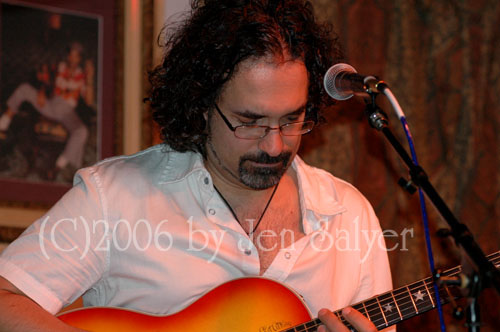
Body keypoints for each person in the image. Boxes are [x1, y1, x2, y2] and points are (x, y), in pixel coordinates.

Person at [0, 1, 393, 331]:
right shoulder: (114, 196)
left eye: (291, 119)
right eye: (249, 121)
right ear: (202, 105)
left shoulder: (350, 216)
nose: (274, 144)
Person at [0, 41, 94, 174]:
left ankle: (59, 165)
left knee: (82, 131)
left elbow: (89, 101)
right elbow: (45, 78)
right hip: (50, 105)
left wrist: (90, 78)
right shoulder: (59, 67)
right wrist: (42, 92)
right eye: (71, 55)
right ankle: (4, 122)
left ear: (80, 59)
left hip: (67, 112)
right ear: (67, 55)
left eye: (76, 56)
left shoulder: (82, 76)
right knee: (24, 89)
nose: (72, 59)